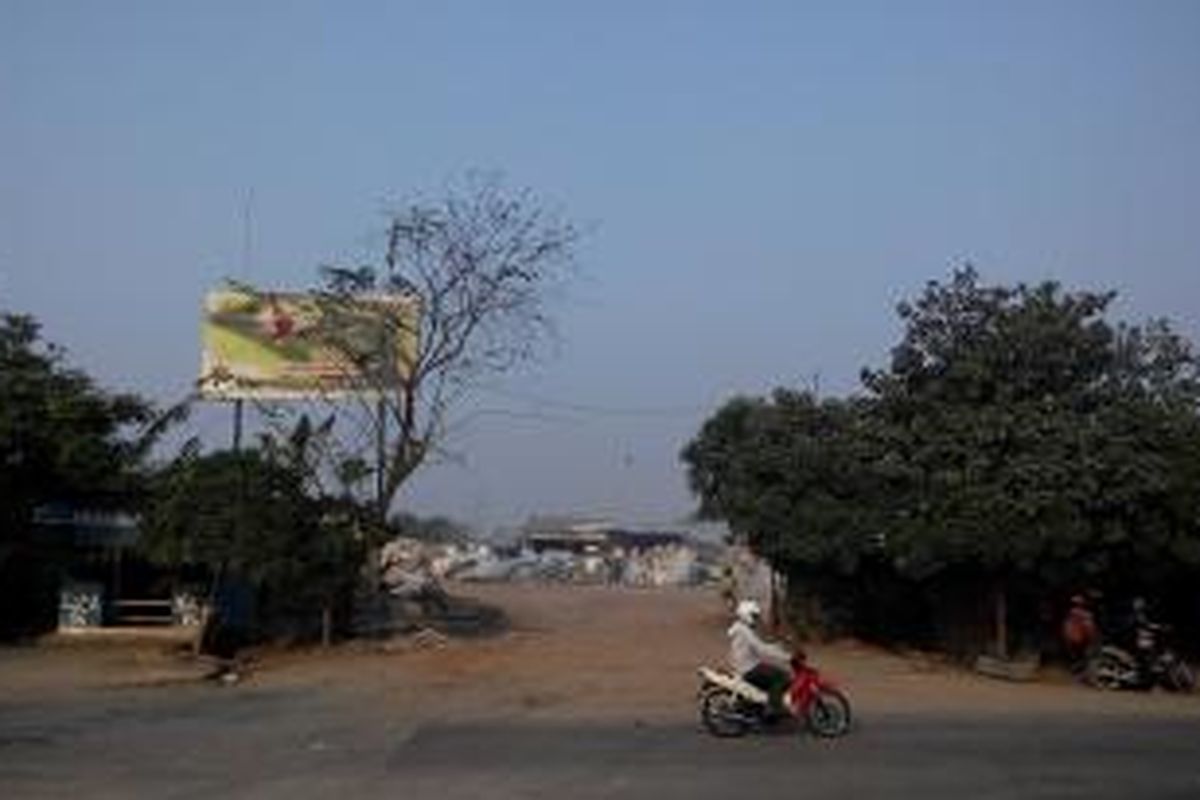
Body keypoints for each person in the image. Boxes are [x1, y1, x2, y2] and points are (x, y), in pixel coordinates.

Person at [728, 599, 792, 716]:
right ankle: (773, 708)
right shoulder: (744, 631)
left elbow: (760, 646)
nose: (756, 619)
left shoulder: (741, 628)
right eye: (754, 615)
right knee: (782, 677)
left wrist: (777, 646)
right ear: (746, 615)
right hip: (749, 668)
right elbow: (761, 649)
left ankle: (766, 702)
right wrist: (787, 657)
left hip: (748, 665)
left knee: (773, 673)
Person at [1061, 594, 1097, 673]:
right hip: (1079, 639)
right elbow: (1090, 628)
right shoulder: (1086, 615)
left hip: (1077, 639)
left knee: (1078, 657)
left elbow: (1067, 628)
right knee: (1082, 657)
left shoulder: (1074, 615)